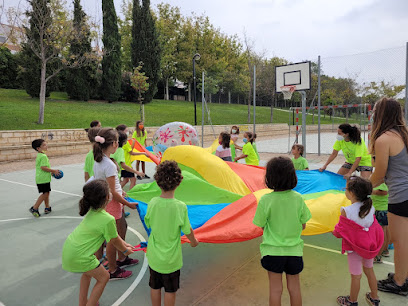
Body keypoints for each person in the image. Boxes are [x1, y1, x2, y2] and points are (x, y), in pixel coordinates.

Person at [62, 179, 134, 306]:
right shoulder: (108, 218)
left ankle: (83, 303)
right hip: (81, 256)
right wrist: (124, 250)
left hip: (70, 250)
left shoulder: (94, 212)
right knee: (104, 277)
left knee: (87, 274)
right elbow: (114, 240)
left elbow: (114, 236)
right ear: (107, 197)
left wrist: (125, 245)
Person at [253, 156, 311, 306]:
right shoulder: (298, 198)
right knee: (294, 288)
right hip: (294, 252)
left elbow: (260, 224)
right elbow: (303, 225)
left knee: (275, 290)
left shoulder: (265, 200)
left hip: (272, 252)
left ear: (269, 177)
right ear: (292, 176)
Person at [145, 160, 199, 306]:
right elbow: (188, 230)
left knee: (155, 287)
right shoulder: (180, 207)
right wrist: (194, 242)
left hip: (155, 258)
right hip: (171, 261)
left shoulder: (152, 203)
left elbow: (148, 222)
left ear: (157, 181)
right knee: (170, 290)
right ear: (179, 182)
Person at [369, 97, 408, 295]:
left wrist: (362, 188)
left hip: (401, 197)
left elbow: (379, 174)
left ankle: (400, 282)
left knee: (400, 241)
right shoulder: (404, 135)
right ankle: (402, 275)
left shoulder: (384, 139)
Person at [93, 128, 139, 280]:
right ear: (113, 144)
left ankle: (122, 258)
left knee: (122, 228)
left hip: (110, 202)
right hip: (112, 203)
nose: (118, 144)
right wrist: (127, 203)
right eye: (117, 142)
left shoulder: (100, 161)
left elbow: (110, 186)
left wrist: (121, 192)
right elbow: (112, 192)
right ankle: (113, 269)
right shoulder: (109, 164)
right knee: (113, 238)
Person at [333, 176, 383, 306]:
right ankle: (374, 297)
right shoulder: (370, 207)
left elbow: (338, 232)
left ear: (352, 193)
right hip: (368, 246)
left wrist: (329, 230)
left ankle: (352, 301)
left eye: (346, 188)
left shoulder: (346, 211)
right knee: (369, 270)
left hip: (354, 248)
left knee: (356, 275)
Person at [29, 139, 61, 217]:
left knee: (46, 192)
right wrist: (53, 171)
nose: (46, 146)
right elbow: (43, 167)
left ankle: (47, 207)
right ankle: (35, 208)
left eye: (46, 144)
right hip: (43, 179)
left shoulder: (40, 155)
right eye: (44, 145)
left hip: (43, 178)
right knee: (45, 193)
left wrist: (51, 173)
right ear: (38, 148)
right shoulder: (43, 156)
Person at [371, 156, 390, 264]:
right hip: (384, 208)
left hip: (380, 209)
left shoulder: (380, 175)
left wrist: (370, 190)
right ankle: (385, 250)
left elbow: (383, 192)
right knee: (385, 230)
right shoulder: (385, 173)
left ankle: (378, 256)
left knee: (380, 233)